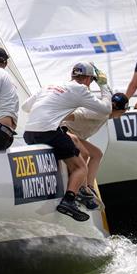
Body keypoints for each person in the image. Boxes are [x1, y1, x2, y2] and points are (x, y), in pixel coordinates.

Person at [22, 62, 111, 221]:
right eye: (91, 81)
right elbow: (106, 109)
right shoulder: (81, 89)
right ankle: (69, 201)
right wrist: (104, 86)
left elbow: (26, 107)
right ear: (89, 79)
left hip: (29, 133)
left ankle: (77, 191)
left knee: (77, 147)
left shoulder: (51, 84)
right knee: (81, 167)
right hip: (47, 132)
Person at [62, 91, 130, 206]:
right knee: (84, 153)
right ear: (122, 111)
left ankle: (89, 186)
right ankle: (81, 189)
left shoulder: (105, 112)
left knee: (97, 154)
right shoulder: (102, 113)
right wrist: (58, 117)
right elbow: (79, 114)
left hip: (74, 133)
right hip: (65, 130)